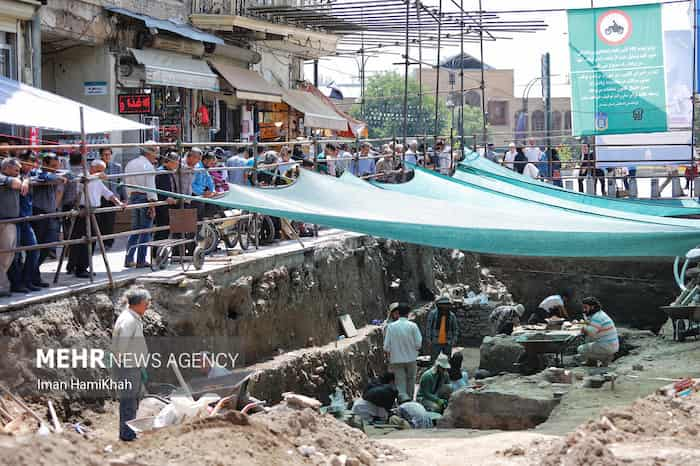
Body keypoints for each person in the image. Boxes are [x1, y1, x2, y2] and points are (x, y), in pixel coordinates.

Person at [71, 160, 123, 278]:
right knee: (82, 240)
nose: (101, 173)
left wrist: (118, 202)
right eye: (98, 170)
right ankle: (78, 267)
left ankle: (84, 266)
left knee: (92, 240)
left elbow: (107, 193)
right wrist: (97, 175)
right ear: (92, 168)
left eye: (102, 171)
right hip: (84, 210)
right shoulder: (83, 176)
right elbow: (83, 181)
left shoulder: (97, 179)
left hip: (95, 210)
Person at [112, 287, 151, 441]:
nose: (148, 306)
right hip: (127, 368)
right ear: (139, 303)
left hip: (131, 367)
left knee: (132, 401)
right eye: (146, 303)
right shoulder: (128, 320)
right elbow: (121, 346)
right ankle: (127, 435)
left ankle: (129, 431)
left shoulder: (132, 317)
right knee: (128, 402)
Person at [9, 153, 42, 292]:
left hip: (25, 219)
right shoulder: (11, 176)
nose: (32, 165)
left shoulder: (29, 175)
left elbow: (45, 175)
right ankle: (17, 284)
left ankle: (26, 280)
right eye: (29, 162)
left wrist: (27, 179)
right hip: (13, 219)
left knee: (34, 250)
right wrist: (23, 179)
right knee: (14, 254)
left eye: (33, 162)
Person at [31, 153, 67, 277]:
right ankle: (33, 275)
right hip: (39, 212)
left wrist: (60, 175)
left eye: (57, 166)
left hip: (51, 213)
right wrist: (57, 176)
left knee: (49, 245)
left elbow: (69, 175)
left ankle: (33, 272)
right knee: (38, 246)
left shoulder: (55, 174)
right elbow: (44, 177)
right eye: (52, 166)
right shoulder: (36, 173)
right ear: (44, 164)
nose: (55, 168)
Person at [123, 143, 158, 268]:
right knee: (145, 230)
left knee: (136, 230)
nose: (157, 155)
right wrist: (152, 205)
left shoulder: (130, 164)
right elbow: (150, 188)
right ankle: (141, 260)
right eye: (155, 152)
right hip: (144, 198)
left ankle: (129, 258)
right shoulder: (148, 166)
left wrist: (129, 198)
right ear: (149, 152)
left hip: (133, 196)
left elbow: (126, 183)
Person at [0, 158, 28, 297]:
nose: (18, 173)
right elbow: (15, 183)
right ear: (6, 168)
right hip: (3, 221)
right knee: (5, 254)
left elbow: (22, 179)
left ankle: (2, 284)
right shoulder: (3, 177)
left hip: (10, 221)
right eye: (16, 170)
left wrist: (25, 180)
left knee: (8, 255)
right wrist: (21, 181)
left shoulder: (16, 177)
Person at [383, 302, 422, 400]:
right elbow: (418, 344)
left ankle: (403, 403)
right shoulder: (413, 326)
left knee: (400, 383)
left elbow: (386, 347)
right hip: (411, 359)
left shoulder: (391, 327)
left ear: (398, 313)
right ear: (408, 313)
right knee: (411, 381)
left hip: (396, 360)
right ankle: (410, 402)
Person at [577, 296, 619, 366]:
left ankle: (605, 358)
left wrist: (583, 328)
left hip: (608, 346)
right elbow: (590, 324)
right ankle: (591, 362)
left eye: (585, 307)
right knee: (588, 339)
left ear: (592, 307)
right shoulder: (599, 313)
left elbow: (591, 333)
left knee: (580, 349)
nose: (584, 309)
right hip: (610, 344)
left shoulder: (597, 317)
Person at [99, 148, 125, 249]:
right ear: (101, 155)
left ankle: (108, 242)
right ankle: (103, 240)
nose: (107, 157)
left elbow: (121, 183)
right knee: (101, 220)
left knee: (110, 220)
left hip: (113, 197)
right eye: (105, 155)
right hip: (100, 197)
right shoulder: (97, 167)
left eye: (109, 154)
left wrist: (124, 198)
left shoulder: (117, 167)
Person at [153, 152, 181, 243]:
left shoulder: (170, 171)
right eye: (176, 162)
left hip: (172, 204)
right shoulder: (160, 172)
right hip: (163, 205)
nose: (178, 164)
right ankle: (156, 253)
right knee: (162, 230)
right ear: (170, 161)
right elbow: (156, 188)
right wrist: (165, 198)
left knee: (168, 230)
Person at [425, 294, 458, 362]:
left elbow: (455, 329)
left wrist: (454, 340)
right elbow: (429, 327)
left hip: (447, 342)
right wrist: (429, 339)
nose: (444, 306)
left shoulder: (452, 316)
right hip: (436, 342)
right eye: (442, 304)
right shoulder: (433, 314)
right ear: (438, 305)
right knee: (434, 360)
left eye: (446, 304)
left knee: (446, 360)